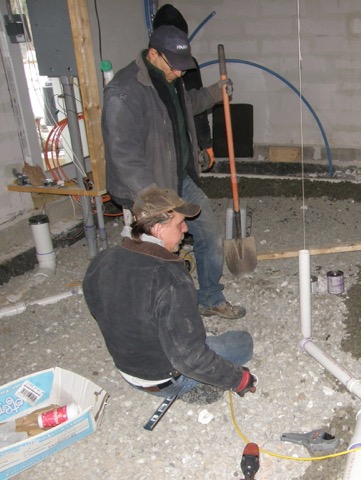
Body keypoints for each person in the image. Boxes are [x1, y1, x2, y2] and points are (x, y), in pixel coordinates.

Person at [102, 24, 245, 318]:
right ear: (153, 53)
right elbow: (123, 153)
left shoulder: (171, 78)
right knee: (154, 250)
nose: (180, 73)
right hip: (145, 189)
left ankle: (209, 298)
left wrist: (214, 93)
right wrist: (153, 197)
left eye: (183, 67)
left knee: (208, 233)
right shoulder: (124, 91)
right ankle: (151, 311)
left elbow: (187, 104)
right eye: (175, 66)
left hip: (178, 179)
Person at [83, 187, 256, 399]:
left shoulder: (101, 261)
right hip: (166, 379)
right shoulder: (171, 279)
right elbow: (190, 359)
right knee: (243, 341)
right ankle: (193, 389)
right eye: (179, 223)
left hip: (128, 371)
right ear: (157, 229)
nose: (185, 229)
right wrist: (239, 380)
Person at [152, 4, 215, 171]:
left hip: (183, 145)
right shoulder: (140, 75)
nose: (179, 73)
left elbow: (196, 104)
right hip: (157, 153)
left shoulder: (188, 64)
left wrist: (204, 142)